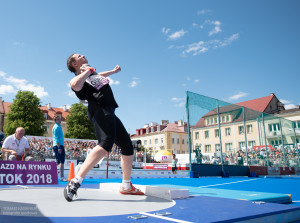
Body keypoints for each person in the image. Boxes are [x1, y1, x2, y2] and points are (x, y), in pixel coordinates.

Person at [64, 53, 144, 202]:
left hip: (109, 110)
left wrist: (113, 71)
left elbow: (99, 75)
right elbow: (74, 85)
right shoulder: (81, 77)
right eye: (79, 55)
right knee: (106, 143)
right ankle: (75, 181)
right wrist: (87, 70)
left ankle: (126, 186)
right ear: (74, 64)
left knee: (127, 146)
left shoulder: (91, 74)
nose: (83, 55)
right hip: (100, 109)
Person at [52, 115, 67, 181]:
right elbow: (56, 137)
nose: (59, 120)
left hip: (59, 145)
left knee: (58, 162)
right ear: (55, 120)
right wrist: (59, 147)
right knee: (61, 162)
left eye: (60, 119)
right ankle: (62, 177)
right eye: (57, 119)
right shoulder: (56, 127)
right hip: (58, 145)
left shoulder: (58, 126)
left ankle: (51, 173)